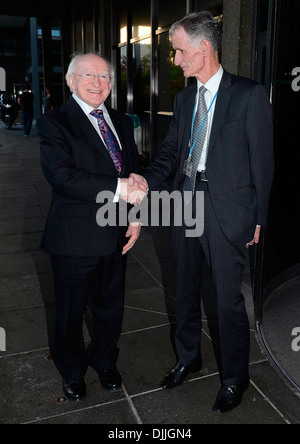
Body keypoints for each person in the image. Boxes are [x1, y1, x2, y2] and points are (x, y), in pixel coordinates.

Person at [130, 11, 274, 413]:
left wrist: (259, 218)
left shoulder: (249, 94)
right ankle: (188, 357)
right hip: (184, 203)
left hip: (227, 210)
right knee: (186, 289)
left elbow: (263, 163)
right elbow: (173, 152)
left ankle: (234, 380)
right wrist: (145, 180)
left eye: (179, 50)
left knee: (227, 302)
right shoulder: (184, 97)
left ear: (204, 48)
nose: (174, 59)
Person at [37, 53, 147, 402]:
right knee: (69, 311)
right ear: (71, 81)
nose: (98, 82)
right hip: (74, 238)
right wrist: (120, 188)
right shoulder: (55, 123)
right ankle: (72, 370)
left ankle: (104, 360)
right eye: (89, 75)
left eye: (104, 76)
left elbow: (133, 171)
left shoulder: (122, 122)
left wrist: (136, 215)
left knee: (110, 307)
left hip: (115, 234)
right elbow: (63, 177)